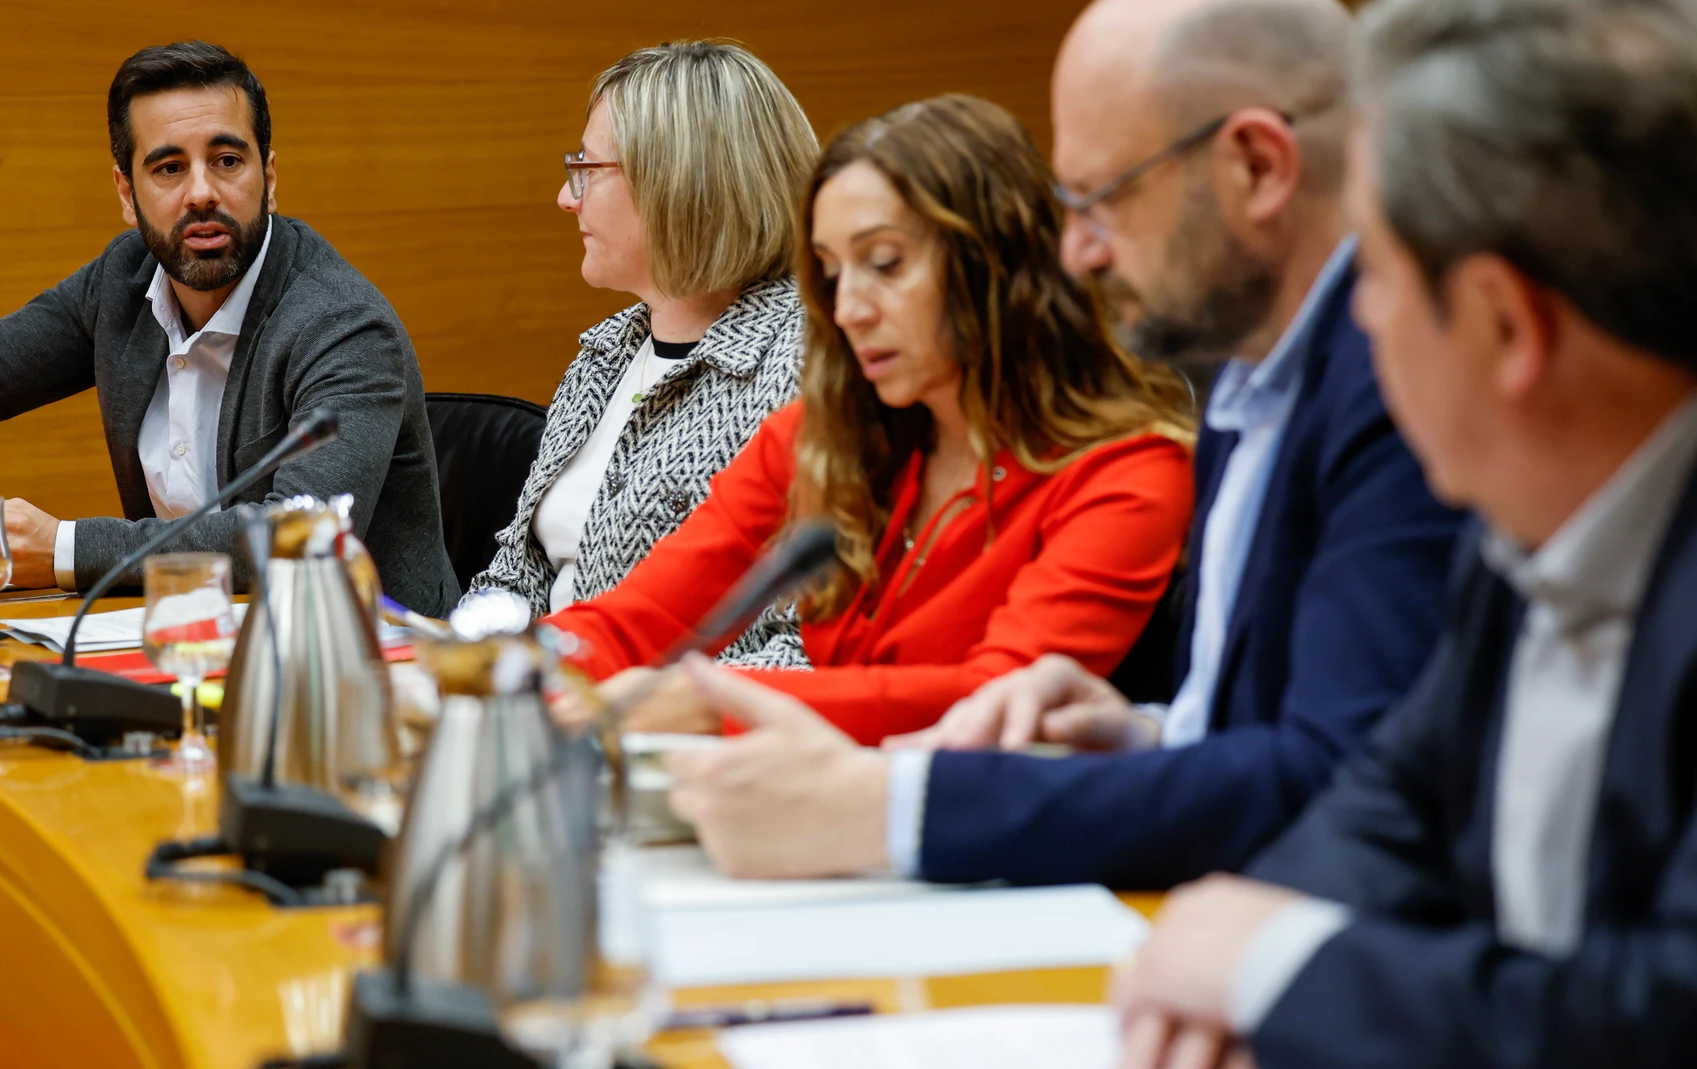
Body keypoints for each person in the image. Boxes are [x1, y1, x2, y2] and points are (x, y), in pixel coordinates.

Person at [659, 0, 1464, 886]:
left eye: (1106, 197)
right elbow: (1272, 735)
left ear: (1258, 165)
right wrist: (1146, 733)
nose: (1075, 252)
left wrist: (894, 809)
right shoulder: (1250, 389)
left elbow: (1343, 779)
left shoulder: (1399, 386)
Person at [1111, 1, 1697, 1066]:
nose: (1358, 321)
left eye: (1372, 274)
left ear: (1505, 326)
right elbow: (1392, 798)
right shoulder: (1518, 538)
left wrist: (1278, 967)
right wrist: (1226, 953)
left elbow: (1659, 1014)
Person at [548, 94, 1198, 745]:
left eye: (885, 263)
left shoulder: (1128, 471)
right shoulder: (819, 438)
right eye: (830, 272)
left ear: (996, 265)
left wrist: (711, 703)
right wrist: (496, 671)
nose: (849, 307)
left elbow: (999, 701)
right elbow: (631, 623)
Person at [0, 41, 459, 613]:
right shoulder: (125, 279)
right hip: (195, 643)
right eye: (168, 168)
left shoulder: (343, 326)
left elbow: (296, 537)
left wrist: (65, 549)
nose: (201, 193)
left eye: (226, 161)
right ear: (126, 191)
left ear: (269, 179)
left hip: (366, 665)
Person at [469, 41, 816, 667]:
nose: (565, 198)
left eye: (587, 169)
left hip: (677, 741)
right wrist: (448, 662)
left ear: (679, 181)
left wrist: (635, 710)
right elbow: (516, 579)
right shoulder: (605, 353)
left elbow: (804, 646)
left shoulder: (803, 365)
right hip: (548, 710)